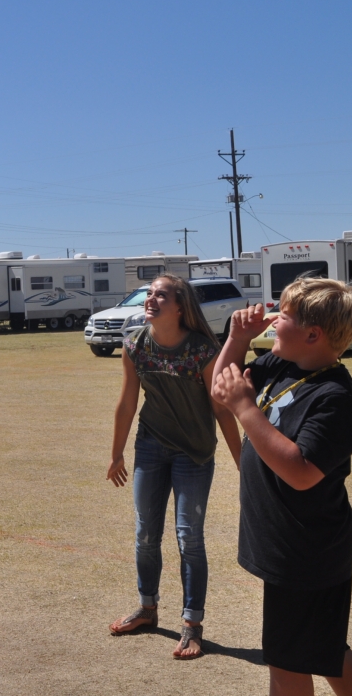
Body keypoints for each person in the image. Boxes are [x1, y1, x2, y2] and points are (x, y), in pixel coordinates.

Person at [212, 279, 352, 695]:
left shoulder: (335, 398)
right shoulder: (279, 363)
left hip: (308, 550)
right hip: (289, 543)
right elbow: (220, 389)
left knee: (287, 662)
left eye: (283, 315)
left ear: (312, 335)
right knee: (323, 651)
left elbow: (301, 472)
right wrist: (237, 339)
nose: (272, 320)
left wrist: (246, 408)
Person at [106, 275, 242, 659]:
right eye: (149, 294)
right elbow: (127, 403)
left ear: (180, 307)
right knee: (145, 533)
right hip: (150, 447)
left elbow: (221, 410)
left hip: (194, 454)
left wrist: (242, 462)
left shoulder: (202, 350)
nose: (151, 299)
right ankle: (147, 609)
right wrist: (116, 454)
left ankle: (192, 625)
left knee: (189, 538)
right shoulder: (134, 345)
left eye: (160, 295)